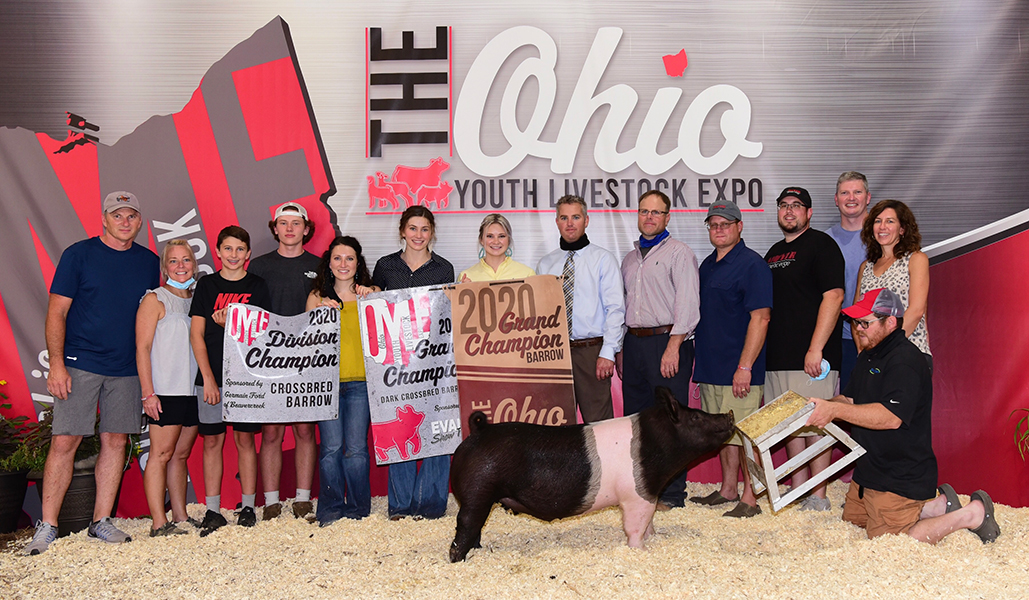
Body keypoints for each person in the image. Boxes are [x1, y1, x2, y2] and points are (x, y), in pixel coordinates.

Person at [807, 288, 1000, 544]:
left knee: (891, 541)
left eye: (865, 322)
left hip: (900, 474)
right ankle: (935, 507)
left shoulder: (905, 360)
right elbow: (850, 399)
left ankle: (972, 514)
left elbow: (891, 417)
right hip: (870, 470)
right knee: (853, 519)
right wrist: (820, 406)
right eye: (856, 322)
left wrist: (836, 410)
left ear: (890, 322)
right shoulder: (868, 355)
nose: (858, 329)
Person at [25, 191, 160, 555]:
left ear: (139, 221)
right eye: (118, 215)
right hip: (79, 363)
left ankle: (100, 521)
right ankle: (48, 524)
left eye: (131, 215)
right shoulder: (77, 255)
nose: (125, 221)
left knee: (116, 441)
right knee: (65, 441)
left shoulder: (149, 262)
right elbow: (56, 313)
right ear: (104, 218)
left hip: (127, 368)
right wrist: (57, 363)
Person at [764, 186, 845, 512]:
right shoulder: (773, 253)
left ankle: (819, 495)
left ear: (809, 213)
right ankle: (798, 487)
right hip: (778, 357)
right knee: (788, 425)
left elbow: (834, 296)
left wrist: (816, 348)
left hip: (811, 358)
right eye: (784, 205)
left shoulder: (822, 245)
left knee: (815, 423)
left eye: (796, 206)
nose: (789, 211)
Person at [372, 206, 454, 520]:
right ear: (402, 231)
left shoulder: (444, 268)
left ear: (431, 232)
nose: (418, 235)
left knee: (435, 428)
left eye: (424, 229)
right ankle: (401, 505)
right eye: (412, 228)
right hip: (394, 365)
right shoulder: (385, 266)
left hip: (432, 364)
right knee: (398, 428)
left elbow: (446, 316)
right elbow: (374, 307)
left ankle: (431, 504)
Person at [691, 202, 772, 518]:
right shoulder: (707, 265)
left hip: (739, 369)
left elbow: (761, 318)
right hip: (711, 367)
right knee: (725, 433)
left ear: (740, 226)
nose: (719, 229)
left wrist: (745, 366)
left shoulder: (753, 265)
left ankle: (751, 498)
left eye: (726, 223)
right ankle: (728, 489)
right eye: (713, 224)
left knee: (748, 434)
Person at [616, 190, 697, 509]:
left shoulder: (680, 253)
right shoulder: (629, 258)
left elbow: (688, 304)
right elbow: (624, 307)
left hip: (668, 343)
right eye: (644, 211)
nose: (649, 217)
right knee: (636, 423)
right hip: (634, 343)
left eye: (656, 212)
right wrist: (623, 347)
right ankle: (642, 490)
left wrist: (674, 345)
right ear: (637, 215)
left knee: (670, 421)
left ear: (667, 217)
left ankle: (673, 494)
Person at [189, 226, 271, 535]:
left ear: (248, 254)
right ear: (218, 251)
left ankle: (248, 506)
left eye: (240, 249)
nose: (234, 255)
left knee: (246, 440)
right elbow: (196, 334)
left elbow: (263, 334)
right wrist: (208, 378)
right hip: (212, 378)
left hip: (247, 379)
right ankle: (212, 509)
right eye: (228, 249)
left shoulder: (258, 286)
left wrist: (235, 321)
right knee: (212, 441)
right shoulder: (207, 286)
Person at [247, 202, 320, 521]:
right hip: (269, 360)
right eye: (283, 223)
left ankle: (303, 498)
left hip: (308, 359)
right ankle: (272, 500)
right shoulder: (258, 266)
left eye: (296, 223)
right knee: (272, 431)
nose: (290, 228)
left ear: (306, 229)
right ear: (274, 228)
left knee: (305, 430)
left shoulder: (320, 266)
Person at [307, 236, 379, 525]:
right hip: (327, 384)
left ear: (358, 263)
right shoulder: (316, 297)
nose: (343, 264)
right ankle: (331, 506)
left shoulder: (371, 294)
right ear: (329, 263)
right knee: (330, 450)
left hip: (362, 383)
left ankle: (359, 507)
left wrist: (371, 298)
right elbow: (306, 343)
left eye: (349, 258)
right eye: (337, 258)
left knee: (357, 450)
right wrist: (318, 313)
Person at [537, 195, 625, 423]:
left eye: (575, 217)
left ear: (586, 220)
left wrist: (608, 352)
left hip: (591, 352)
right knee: (557, 427)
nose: (569, 223)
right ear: (556, 221)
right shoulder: (545, 264)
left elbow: (615, 309)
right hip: (555, 353)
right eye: (564, 217)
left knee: (600, 427)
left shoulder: (603, 259)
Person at [136, 240, 200, 537]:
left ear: (194, 264)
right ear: (165, 268)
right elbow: (142, 347)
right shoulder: (154, 299)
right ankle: (158, 522)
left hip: (192, 389)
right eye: (173, 261)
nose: (180, 266)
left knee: (180, 455)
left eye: (186, 260)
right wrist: (148, 393)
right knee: (160, 454)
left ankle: (181, 515)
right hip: (165, 389)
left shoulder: (198, 298)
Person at [856, 199, 931, 367]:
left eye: (890, 221)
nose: (882, 227)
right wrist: (864, 351)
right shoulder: (865, 267)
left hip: (908, 354)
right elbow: (858, 316)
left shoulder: (916, 259)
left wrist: (886, 349)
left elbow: (917, 310)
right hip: (872, 358)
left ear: (902, 229)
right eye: (878, 221)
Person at [826, 172, 871, 389]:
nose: (851, 198)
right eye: (845, 192)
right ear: (836, 199)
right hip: (838, 340)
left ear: (868, 197)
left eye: (857, 192)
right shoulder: (824, 241)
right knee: (840, 408)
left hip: (876, 337)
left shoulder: (882, 236)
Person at [458, 213, 535, 282]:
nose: (496, 242)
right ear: (481, 239)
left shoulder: (527, 274)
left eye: (501, 236)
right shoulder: (466, 276)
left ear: (509, 239)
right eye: (490, 236)